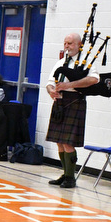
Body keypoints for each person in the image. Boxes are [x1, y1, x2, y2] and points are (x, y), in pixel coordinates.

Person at [46, 33, 99, 188]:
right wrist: (51, 91)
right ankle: (65, 173)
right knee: (59, 142)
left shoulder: (86, 61)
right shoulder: (61, 62)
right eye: (65, 43)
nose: (67, 46)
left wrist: (69, 85)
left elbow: (94, 79)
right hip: (59, 101)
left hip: (75, 101)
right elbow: (49, 82)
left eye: (70, 43)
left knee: (68, 143)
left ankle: (71, 178)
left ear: (79, 45)